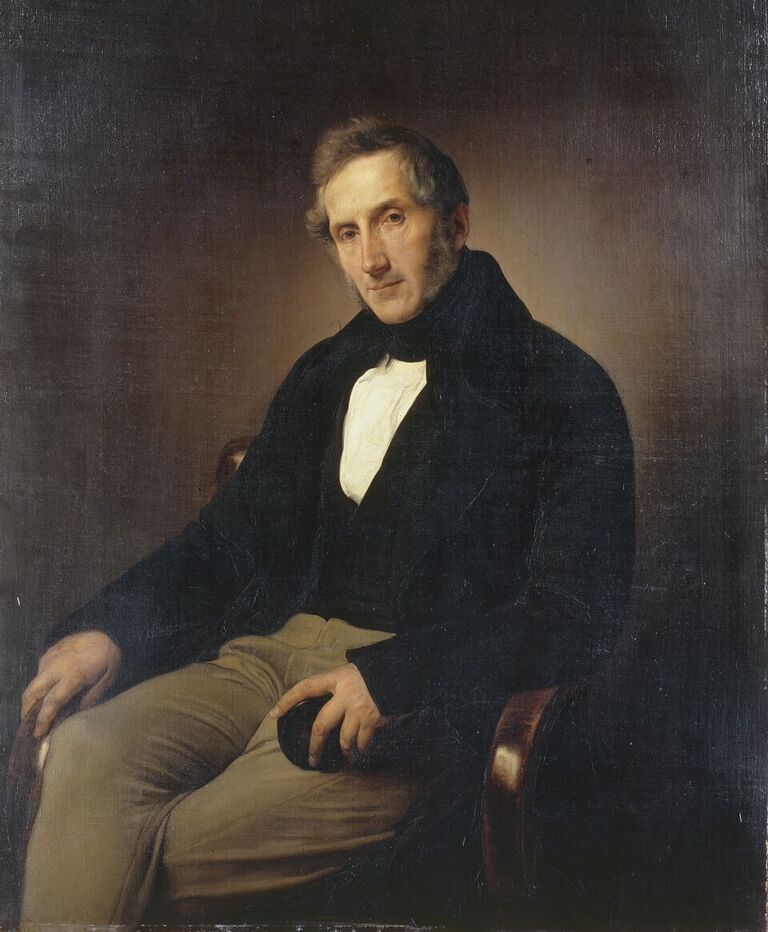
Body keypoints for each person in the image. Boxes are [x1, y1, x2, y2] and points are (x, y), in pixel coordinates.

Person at [18, 118, 635, 925]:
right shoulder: (327, 370)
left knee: (150, 845)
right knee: (84, 751)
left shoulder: (563, 387)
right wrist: (111, 629)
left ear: (455, 222)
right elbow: (228, 540)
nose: (371, 259)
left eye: (392, 219)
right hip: (269, 657)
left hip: (413, 698)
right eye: (348, 233)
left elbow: (577, 615)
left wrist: (395, 677)